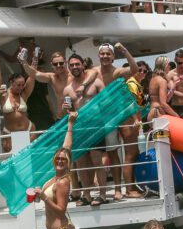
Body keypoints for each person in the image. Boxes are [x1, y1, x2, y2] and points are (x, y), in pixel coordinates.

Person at [90, 42, 139, 201]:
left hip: (121, 114)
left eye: (108, 54)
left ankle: (124, 188)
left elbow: (135, 70)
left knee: (131, 151)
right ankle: (118, 188)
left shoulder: (117, 72)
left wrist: (124, 50)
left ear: (113, 56)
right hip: (105, 118)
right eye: (102, 54)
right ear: (99, 55)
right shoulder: (93, 72)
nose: (105, 56)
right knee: (113, 153)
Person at [63, 54, 105, 206]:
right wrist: (66, 110)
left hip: (96, 126)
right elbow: (68, 111)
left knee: (96, 161)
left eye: (77, 64)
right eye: (72, 65)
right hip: (79, 127)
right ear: (69, 67)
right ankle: (86, 195)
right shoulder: (68, 89)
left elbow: (107, 101)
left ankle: (102, 195)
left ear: (82, 65)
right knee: (81, 163)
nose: (75, 67)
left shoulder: (97, 83)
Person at [0, 53, 38, 153]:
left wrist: (35, 60)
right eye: (18, 85)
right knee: (12, 161)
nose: (21, 87)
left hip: (29, 129)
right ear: (11, 82)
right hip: (10, 132)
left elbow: (32, 76)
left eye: (23, 85)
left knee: (27, 159)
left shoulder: (24, 95)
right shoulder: (3, 95)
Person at [122, 61, 151, 197]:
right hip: (130, 123)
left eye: (145, 71)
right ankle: (129, 189)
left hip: (134, 122)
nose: (142, 73)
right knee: (130, 155)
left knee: (133, 155)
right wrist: (135, 120)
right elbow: (130, 103)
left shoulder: (137, 84)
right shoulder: (132, 83)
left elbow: (140, 104)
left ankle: (132, 186)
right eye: (139, 69)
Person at [148, 57, 180, 122]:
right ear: (164, 65)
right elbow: (163, 104)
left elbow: (166, 99)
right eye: (168, 64)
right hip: (158, 112)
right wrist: (176, 115)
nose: (169, 66)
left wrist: (173, 87)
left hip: (152, 111)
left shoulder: (153, 79)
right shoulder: (162, 81)